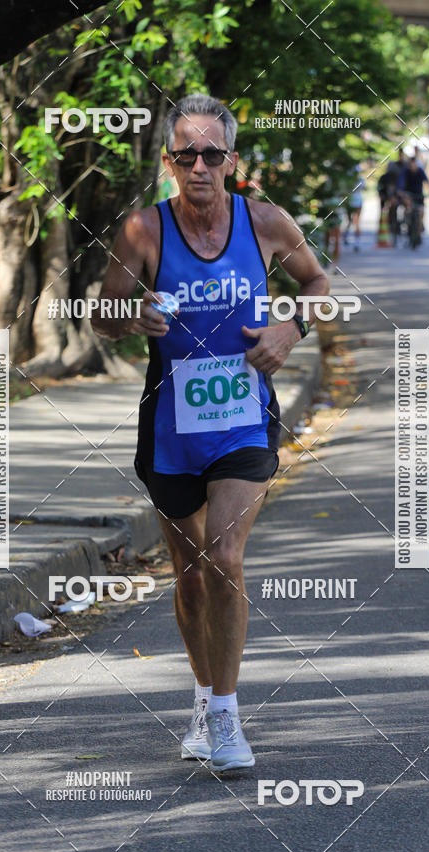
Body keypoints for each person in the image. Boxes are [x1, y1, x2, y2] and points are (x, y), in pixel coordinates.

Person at [91, 94, 329, 771]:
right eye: (186, 154)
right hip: (169, 426)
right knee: (192, 575)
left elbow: (317, 283)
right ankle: (203, 699)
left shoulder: (265, 222)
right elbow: (101, 315)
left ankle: (225, 717)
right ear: (169, 162)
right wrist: (131, 316)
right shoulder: (143, 231)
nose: (199, 165)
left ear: (232, 161)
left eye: (212, 154)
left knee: (224, 558)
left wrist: (291, 328)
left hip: (244, 419)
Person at [397, 156, 429, 240]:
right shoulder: (406, 172)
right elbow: (401, 183)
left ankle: (419, 228)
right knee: (408, 206)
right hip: (408, 194)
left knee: (421, 212)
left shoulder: (420, 171)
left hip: (418, 194)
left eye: (414, 164)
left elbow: (427, 182)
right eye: (411, 164)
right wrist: (400, 191)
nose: (412, 166)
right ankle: (407, 221)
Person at [343, 165, 365, 252]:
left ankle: (356, 242)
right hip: (351, 201)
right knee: (350, 221)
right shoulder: (350, 179)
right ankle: (347, 237)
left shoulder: (359, 179)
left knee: (355, 221)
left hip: (357, 202)